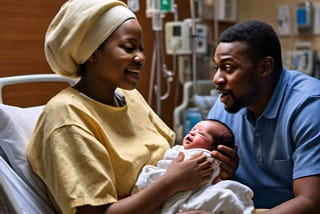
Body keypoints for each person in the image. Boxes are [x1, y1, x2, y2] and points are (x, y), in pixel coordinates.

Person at [26, 0, 238, 214]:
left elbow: (173, 158)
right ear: (91, 51)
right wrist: (171, 183)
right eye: (129, 48)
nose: (141, 58)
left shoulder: (130, 97)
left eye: (141, 49)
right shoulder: (67, 117)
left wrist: (213, 170)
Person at [207, 20, 320, 213]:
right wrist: (223, 175)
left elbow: (311, 202)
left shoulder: (308, 105)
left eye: (228, 68)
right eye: (216, 67)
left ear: (265, 67)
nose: (216, 79)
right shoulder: (223, 109)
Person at [133, 119, 255, 214]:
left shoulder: (205, 157)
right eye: (193, 129)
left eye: (201, 134)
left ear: (214, 148)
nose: (192, 132)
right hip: (171, 185)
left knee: (222, 196)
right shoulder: (180, 150)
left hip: (195, 191)